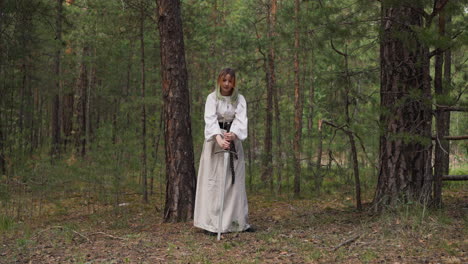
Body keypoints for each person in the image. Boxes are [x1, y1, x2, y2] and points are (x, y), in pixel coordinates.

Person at [194, 68, 251, 234]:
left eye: (230, 81)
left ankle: (237, 222)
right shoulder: (212, 98)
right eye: (224, 80)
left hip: (233, 142)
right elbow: (210, 120)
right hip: (215, 143)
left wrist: (233, 135)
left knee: (234, 183)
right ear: (219, 80)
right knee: (214, 182)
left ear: (234, 82)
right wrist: (219, 139)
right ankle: (212, 224)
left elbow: (241, 119)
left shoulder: (239, 99)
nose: (227, 84)